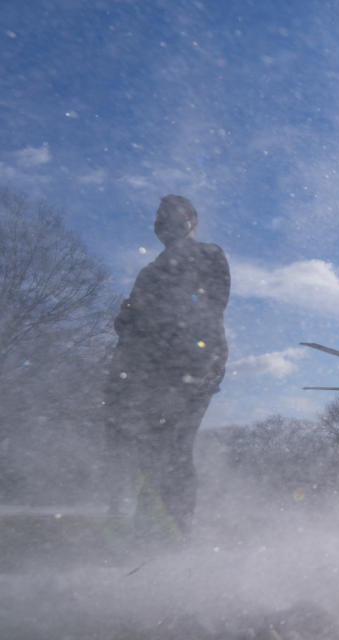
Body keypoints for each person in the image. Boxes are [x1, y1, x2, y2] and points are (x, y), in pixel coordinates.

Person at [104, 195, 229, 540]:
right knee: (152, 447)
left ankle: (171, 534)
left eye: (172, 215)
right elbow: (131, 327)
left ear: (192, 221)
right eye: (159, 216)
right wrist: (127, 321)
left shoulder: (209, 255)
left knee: (173, 444)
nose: (163, 221)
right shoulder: (150, 272)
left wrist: (157, 323)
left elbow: (210, 306)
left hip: (194, 364)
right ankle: (154, 529)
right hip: (151, 370)